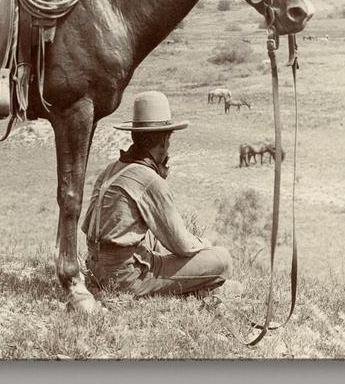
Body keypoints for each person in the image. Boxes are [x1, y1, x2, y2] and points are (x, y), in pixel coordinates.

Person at [81, 91, 233, 297]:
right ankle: (195, 289)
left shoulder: (111, 169)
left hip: (95, 268)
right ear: (163, 141)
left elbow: (88, 226)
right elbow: (182, 245)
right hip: (126, 277)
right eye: (168, 141)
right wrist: (205, 245)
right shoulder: (149, 179)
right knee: (222, 260)